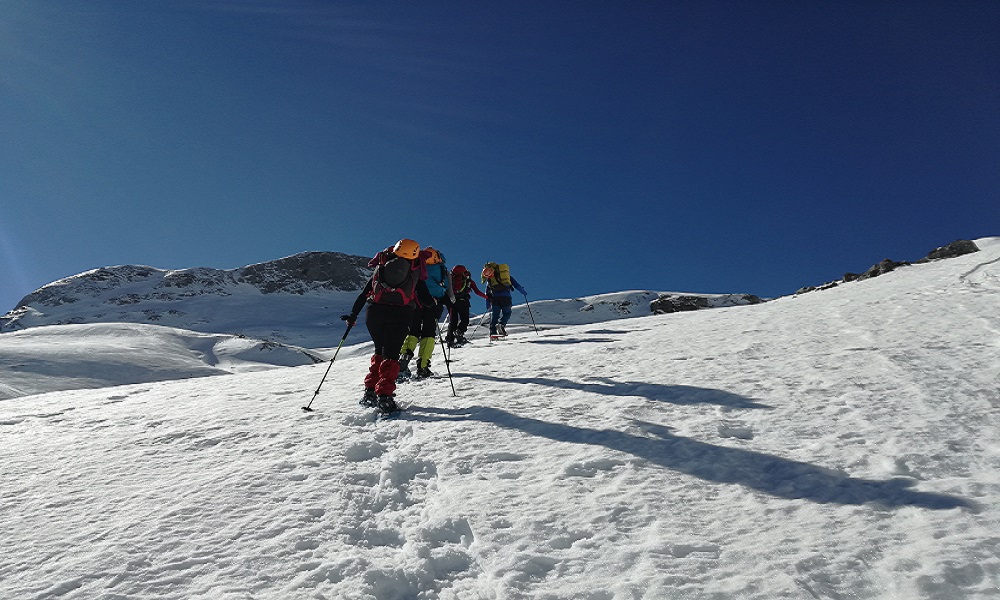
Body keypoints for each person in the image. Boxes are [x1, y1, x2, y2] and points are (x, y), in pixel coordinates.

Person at [342, 239, 424, 413]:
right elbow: (425, 299)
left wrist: (353, 315)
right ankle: (385, 398)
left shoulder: (382, 265)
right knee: (391, 355)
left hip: (374, 313)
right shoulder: (415, 270)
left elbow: (365, 293)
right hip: (400, 314)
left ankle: (370, 392)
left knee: (379, 351)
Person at [399, 247, 454, 379]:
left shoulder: (418, 266)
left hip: (416, 303)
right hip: (434, 305)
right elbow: (449, 291)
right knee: (429, 333)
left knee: (413, 331)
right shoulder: (443, 270)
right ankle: (423, 366)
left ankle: (403, 360)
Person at [445, 264, 487, 347]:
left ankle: (450, 340)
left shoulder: (450, 280)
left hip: (451, 302)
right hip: (463, 302)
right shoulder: (468, 281)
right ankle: (459, 332)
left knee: (453, 321)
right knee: (464, 320)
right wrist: (487, 297)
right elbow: (477, 292)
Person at [482, 262, 526, 339]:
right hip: (506, 298)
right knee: (507, 313)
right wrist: (523, 292)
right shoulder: (506, 276)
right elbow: (516, 285)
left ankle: (493, 333)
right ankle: (501, 324)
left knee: (495, 316)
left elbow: (487, 292)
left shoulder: (490, 279)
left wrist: (487, 303)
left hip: (495, 299)